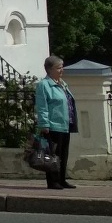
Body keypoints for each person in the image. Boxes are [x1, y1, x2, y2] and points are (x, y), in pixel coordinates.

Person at [35, 55, 77, 190]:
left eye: (62, 67)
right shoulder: (44, 85)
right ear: (49, 69)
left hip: (65, 124)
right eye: (59, 67)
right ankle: (53, 181)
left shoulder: (62, 83)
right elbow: (42, 106)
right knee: (53, 155)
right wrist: (44, 124)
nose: (62, 70)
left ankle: (62, 179)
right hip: (53, 125)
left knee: (63, 154)